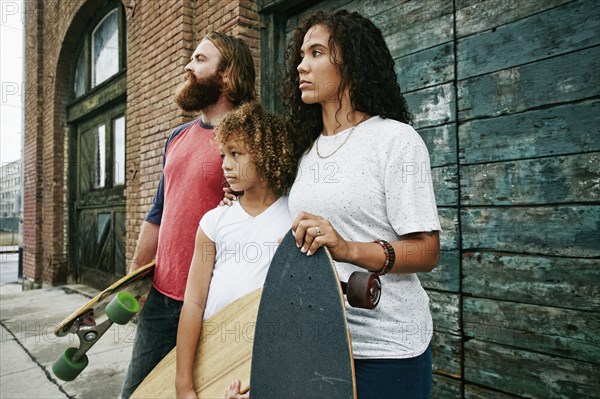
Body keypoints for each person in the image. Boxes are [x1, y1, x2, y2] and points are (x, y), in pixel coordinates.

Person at [228, 9, 441, 399]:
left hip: (387, 349)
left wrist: (348, 249)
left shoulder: (395, 140)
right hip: (317, 346)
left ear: (352, 62)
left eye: (317, 53)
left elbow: (427, 251)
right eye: (301, 55)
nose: (300, 66)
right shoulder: (305, 152)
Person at [120, 32, 256, 399]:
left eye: (200, 60)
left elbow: (262, 213)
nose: (188, 66)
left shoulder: (250, 138)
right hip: (162, 297)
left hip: (212, 306)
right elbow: (157, 213)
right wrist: (134, 280)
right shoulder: (177, 137)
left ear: (226, 75)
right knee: (137, 393)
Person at [175, 101, 298, 399]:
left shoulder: (295, 218)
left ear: (267, 154)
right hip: (215, 354)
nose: (225, 165)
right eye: (222, 155)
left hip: (268, 360)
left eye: (236, 154)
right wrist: (184, 385)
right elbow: (193, 303)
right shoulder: (214, 221)